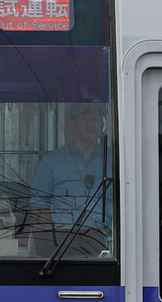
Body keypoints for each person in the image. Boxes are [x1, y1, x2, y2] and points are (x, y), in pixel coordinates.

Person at [32, 102, 112, 254]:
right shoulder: (51, 162)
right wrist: (53, 241)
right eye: (86, 119)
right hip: (65, 244)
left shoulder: (116, 161)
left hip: (109, 245)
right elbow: (39, 206)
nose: (92, 124)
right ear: (71, 124)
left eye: (96, 119)